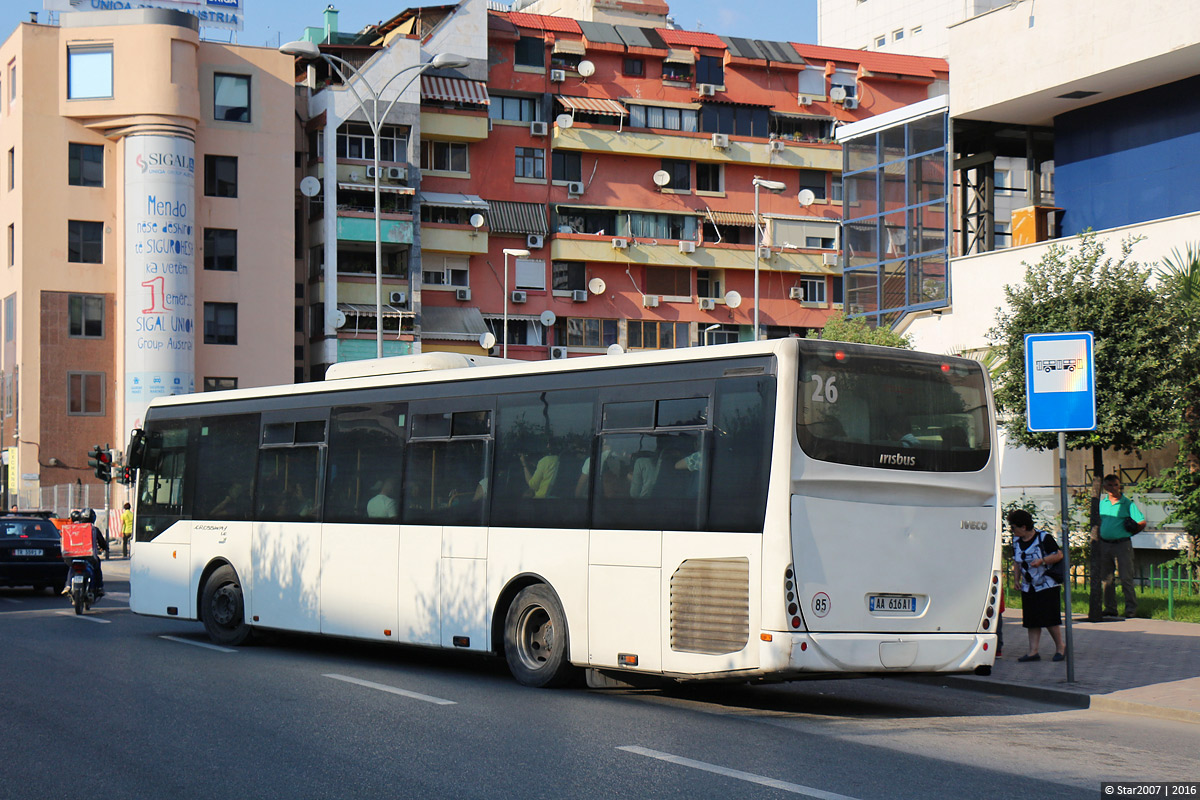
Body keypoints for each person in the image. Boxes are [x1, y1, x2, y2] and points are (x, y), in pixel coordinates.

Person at [1008, 509, 1065, 662]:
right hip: (1029, 586)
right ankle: (1033, 651)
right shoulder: (1016, 541)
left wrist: (1042, 561)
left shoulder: (1043, 537)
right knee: (1031, 619)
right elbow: (1016, 561)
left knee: (1049, 618)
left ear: (1023, 527)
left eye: (1013, 527)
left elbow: (1059, 555)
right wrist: (1016, 580)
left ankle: (1060, 647)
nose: (1012, 530)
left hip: (1046, 584)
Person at [1096, 474, 1145, 619]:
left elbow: (1141, 522)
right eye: (1109, 485)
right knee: (1107, 579)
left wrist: (1132, 532)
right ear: (1105, 487)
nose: (1113, 488)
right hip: (1105, 544)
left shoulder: (1127, 503)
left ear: (1120, 486)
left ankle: (1131, 609)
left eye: (1115, 485)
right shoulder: (1102, 503)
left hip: (1122, 544)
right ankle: (1110, 608)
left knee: (1126, 578)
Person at [61, 509, 108, 597]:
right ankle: (99, 586)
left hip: (73, 555)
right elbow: (102, 542)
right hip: (88, 555)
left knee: (72, 568)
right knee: (97, 566)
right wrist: (104, 547)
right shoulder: (94, 529)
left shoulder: (73, 528)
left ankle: (67, 585)